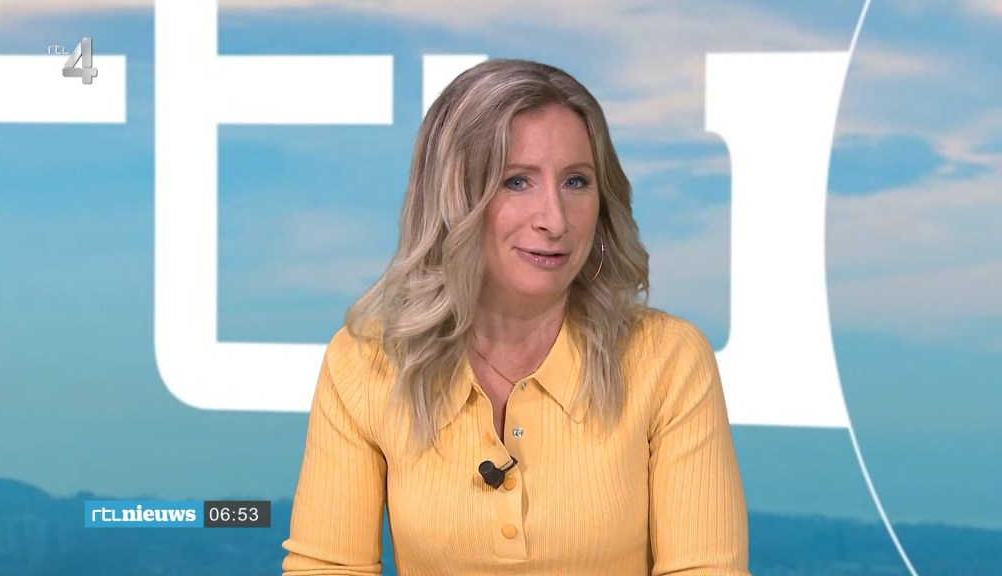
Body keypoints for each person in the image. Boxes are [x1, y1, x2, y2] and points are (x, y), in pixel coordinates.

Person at [281, 58, 750, 575]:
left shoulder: (668, 360)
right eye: (517, 182)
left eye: (576, 181)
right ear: (452, 199)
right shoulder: (366, 363)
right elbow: (326, 566)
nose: (554, 219)